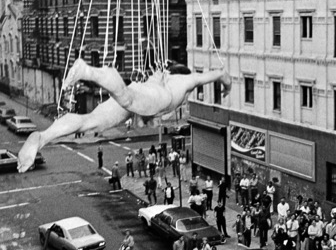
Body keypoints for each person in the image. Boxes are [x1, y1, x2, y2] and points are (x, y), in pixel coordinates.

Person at [17, 60, 231, 172]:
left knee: (89, 123)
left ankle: (43, 137)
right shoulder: (184, 80)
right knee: (126, 98)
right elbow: (213, 75)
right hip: (158, 98)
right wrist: (226, 81)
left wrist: (224, 82)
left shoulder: (161, 77)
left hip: (142, 95)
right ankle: (88, 71)